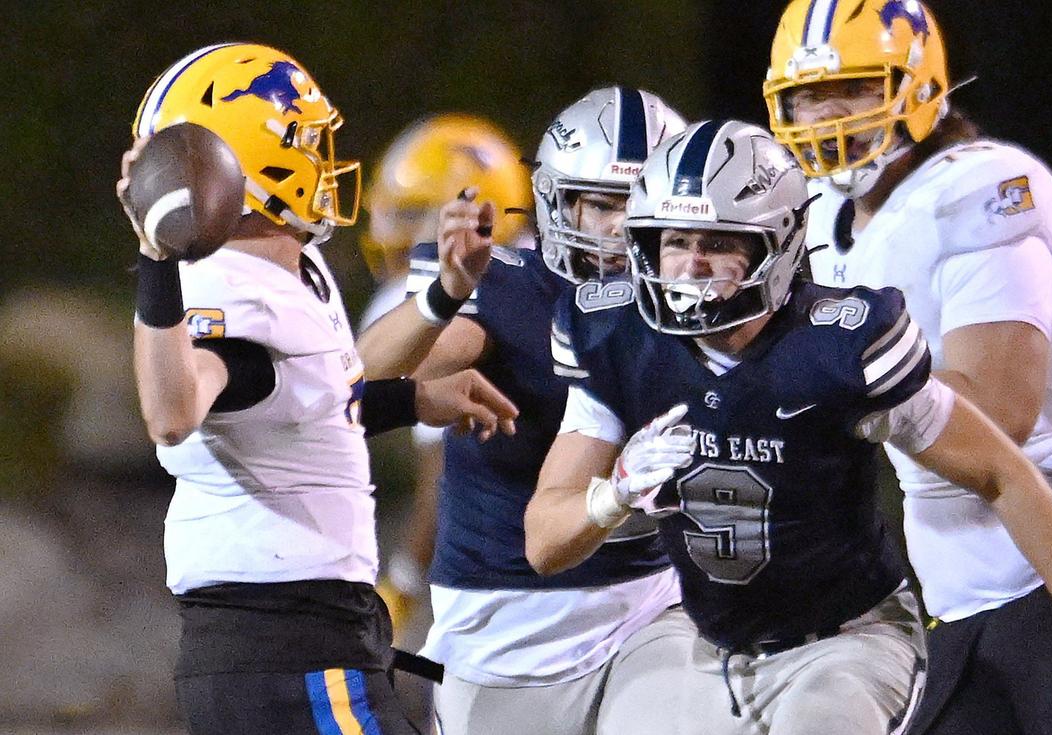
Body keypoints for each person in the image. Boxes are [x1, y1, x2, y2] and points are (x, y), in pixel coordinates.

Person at [524, 119, 1052, 734]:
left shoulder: (839, 349)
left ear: (776, 246)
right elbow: (544, 544)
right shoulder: (615, 339)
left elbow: (1004, 475)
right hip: (705, 645)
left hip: (846, 641)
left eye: (719, 243)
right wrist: (614, 494)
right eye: (675, 241)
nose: (692, 266)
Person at [120, 43, 517, 735]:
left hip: (305, 634)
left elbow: (312, 398)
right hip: (286, 642)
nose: (320, 156)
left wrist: (418, 385)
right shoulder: (223, 290)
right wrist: (157, 261)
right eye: (303, 139)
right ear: (237, 163)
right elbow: (173, 412)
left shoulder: (289, 268)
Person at [763, 1, 1052, 731]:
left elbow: (997, 414)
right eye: (807, 94)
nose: (828, 112)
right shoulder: (808, 218)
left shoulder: (979, 191)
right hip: (961, 599)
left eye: (857, 87)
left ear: (920, 86)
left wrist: (822, 388)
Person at [356, 87, 690, 735]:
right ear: (558, 201)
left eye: (642, 203)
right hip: (507, 617)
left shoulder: (711, 294)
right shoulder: (506, 284)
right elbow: (370, 371)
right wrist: (444, 295)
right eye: (602, 205)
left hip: (651, 603)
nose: (624, 227)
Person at [357, 114, 535, 644]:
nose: (392, 231)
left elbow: (443, 470)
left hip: (503, 568)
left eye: (413, 213)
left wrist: (405, 580)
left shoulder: (447, 299)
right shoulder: (551, 272)